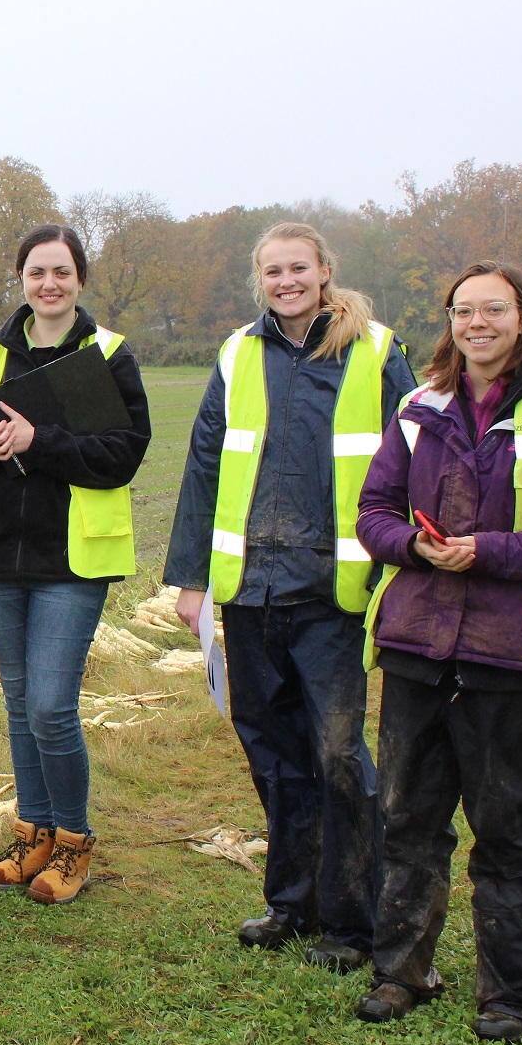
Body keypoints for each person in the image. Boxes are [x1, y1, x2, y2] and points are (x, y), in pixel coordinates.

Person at [354, 259, 522, 1041]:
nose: (478, 324)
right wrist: (412, 545)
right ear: (451, 321)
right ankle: (401, 973)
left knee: (509, 832)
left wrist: (491, 550)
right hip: (417, 645)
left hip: (511, 653)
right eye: (465, 311)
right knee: (407, 821)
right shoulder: (418, 406)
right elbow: (371, 511)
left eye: (493, 311)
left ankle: (514, 997)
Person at [163, 221, 417, 969]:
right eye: (272, 271)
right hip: (251, 591)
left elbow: (414, 454)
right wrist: (191, 580)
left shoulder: (376, 350)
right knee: (271, 751)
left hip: (334, 592)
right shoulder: (239, 354)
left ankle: (352, 920)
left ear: (325, 271)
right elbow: (206, 463)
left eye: (298, 268)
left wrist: (407, 567)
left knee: (337, 754)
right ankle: (291, 902)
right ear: (260, 280)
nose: (286, 281)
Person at [0, 225, 152, 905]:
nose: (48, 284)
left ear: (79, 279)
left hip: (71, 560)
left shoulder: (104, 356)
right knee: (21, 702)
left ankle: (74, 845)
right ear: (21, 280)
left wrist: (39, 440)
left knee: (53, 706)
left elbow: (121, 453)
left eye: (61, 272)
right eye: (36, 273)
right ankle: (32, 840)